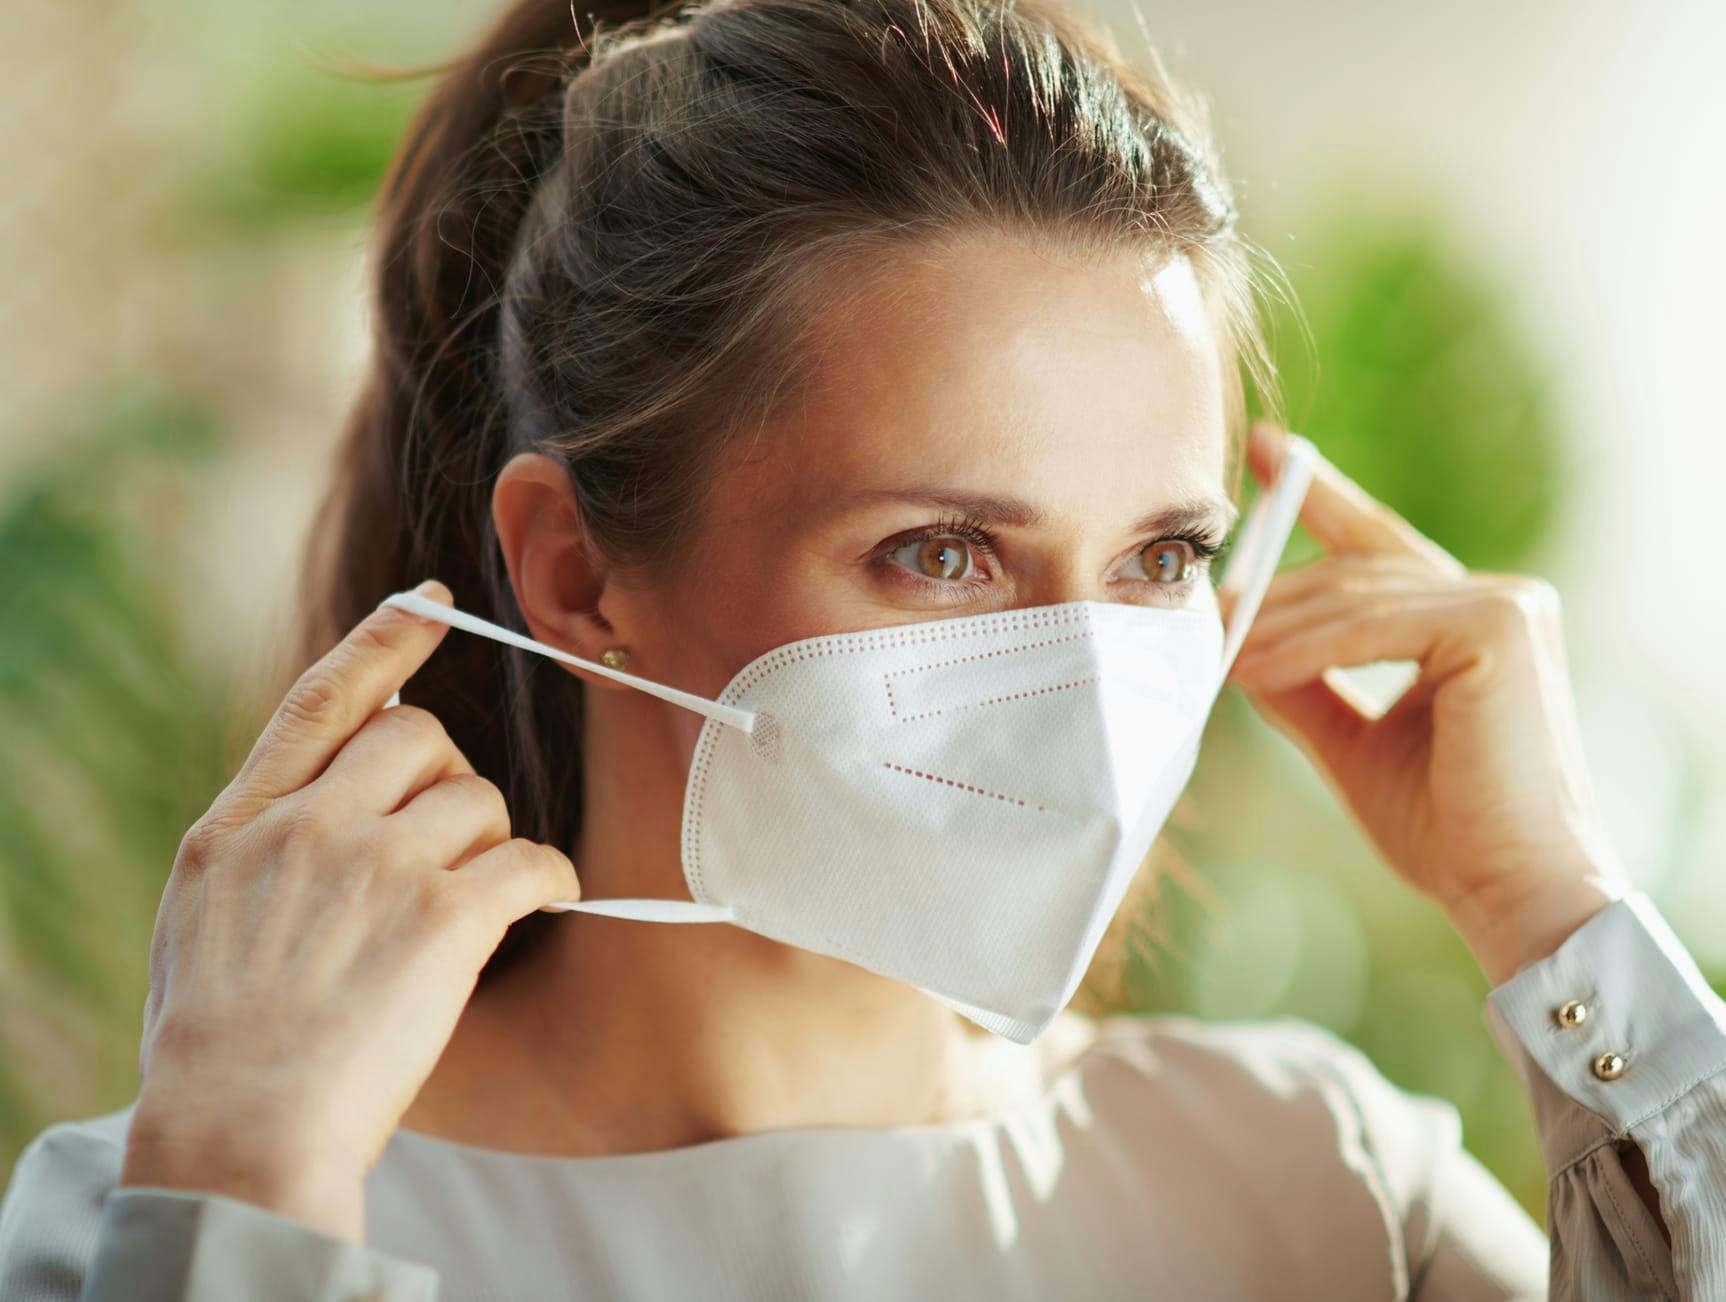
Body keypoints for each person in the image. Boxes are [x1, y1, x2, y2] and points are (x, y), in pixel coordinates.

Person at [1, 0, 1721, 1296]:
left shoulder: (1317, 1181)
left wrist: (1556, 913)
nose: (1088, 677)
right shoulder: (175, 1205)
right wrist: (246, 1180)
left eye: (1158, 555)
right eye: (944, 550)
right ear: (577, 570)